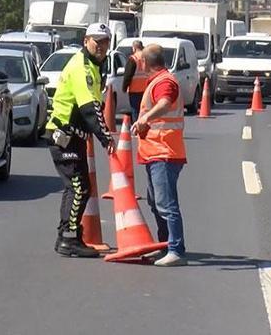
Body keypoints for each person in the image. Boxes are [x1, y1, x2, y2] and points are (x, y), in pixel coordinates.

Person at [46, 23, 116, 258]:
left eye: (106, 42)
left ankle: (66, 237)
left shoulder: (95, 66)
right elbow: (90, 109)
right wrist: (106, 137)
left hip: (74, 136)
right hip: (63, 135)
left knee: (78, 187)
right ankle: (69, 239)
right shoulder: (82, 67)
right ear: (86, 41)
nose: (102, 47)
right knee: (78, 187)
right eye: (97, 42)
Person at [131, 44, 188, 267]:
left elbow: (164, 104)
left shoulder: (164, 81)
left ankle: (175, 249)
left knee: (166, 204)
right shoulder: (159, 80)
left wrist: (145, 119)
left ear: (145, 63)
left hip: (164, 151)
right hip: (156, 152)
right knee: (156, 203)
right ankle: (165, 245)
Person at [121, 40, 148, 122]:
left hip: (135, 89)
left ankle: (137, 129)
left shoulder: (133, 59)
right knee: (144, 110)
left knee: (135, 110)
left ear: (135, 48)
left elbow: (128, 75)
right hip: (146, 89)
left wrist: (124, 87)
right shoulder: (147, 58)